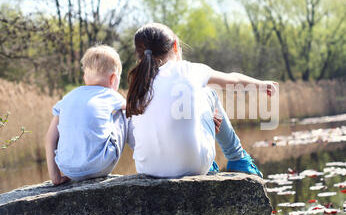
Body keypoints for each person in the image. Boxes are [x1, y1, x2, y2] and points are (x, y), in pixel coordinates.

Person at [126, 23, 278, 179]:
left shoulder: (137, 83)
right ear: (176, 46)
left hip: (147, 168)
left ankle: (221, 155)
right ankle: (237, 158)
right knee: (209, 93)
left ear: (139, 54)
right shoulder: (189, 69)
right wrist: (262, 85)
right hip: (192, 166)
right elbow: (234, 80)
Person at [45, 45, 127, 185]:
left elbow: (49, 138)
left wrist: (55, 176)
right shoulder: (110, 95)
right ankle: (146, 159)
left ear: (85, 77)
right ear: (113, 78)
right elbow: (135, 109)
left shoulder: (66, 99)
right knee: (125, 111)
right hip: (99, 166)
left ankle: (58, 175)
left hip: (68, 170)